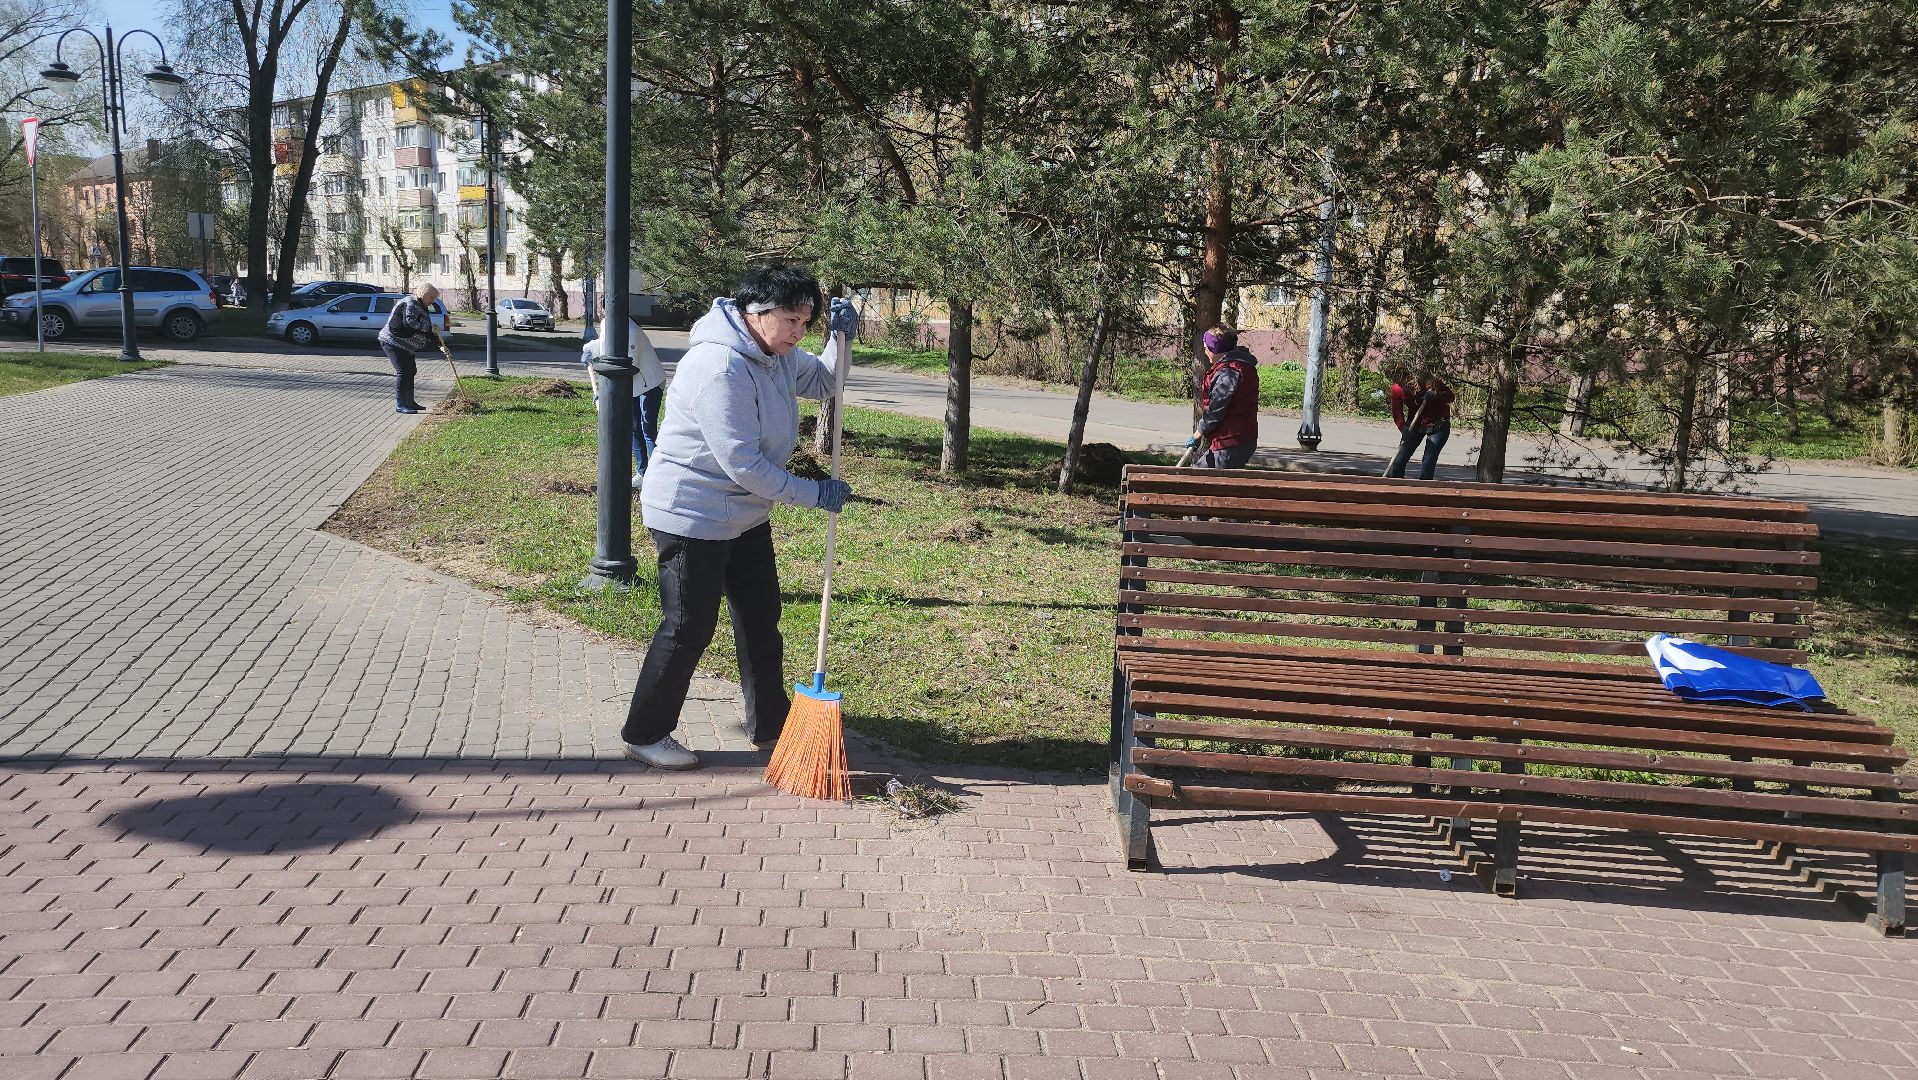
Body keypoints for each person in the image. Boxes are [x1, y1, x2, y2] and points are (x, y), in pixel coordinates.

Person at [621, 265, 858, 771]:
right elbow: (744, 463)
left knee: (760, 620)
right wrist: (813, 494)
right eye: (792, 320)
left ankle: (771, 726)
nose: (800, 331)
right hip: (692, 513)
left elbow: (824, 382)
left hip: (745, 514)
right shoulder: (719, 366)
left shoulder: (777, 356)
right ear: (756, 313)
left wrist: (840, 339)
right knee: (688, 626)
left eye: (807, 320)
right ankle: (645, 732)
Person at [582, 305, 668, 486]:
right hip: (634, 384)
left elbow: (628, 368)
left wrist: (605, 394)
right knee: (634, 428)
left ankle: (657, 477)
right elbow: (606, 345)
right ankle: (643, 472)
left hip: (649, 382)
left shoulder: (631, 330)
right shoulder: (608, 323)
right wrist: (590, 350)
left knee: (647, 430)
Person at [1185, 326, 1260, 469]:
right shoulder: (1240, 366)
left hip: (1231, 440)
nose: (1205, 351)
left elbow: (1215, 411)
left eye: (1206, 347)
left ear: (1215, 350)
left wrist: (1197, 435)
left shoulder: (1229, 373)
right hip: (1236, 439)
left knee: (1198, 480)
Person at [377, 283, 441, 414]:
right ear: (424, 294)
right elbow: (409, 323)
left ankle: (410, 402)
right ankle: (401, 404)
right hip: (392, 341)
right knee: (403, 371)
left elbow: (425, 327)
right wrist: (429, 329)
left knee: (411, 371)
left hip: (406, 345)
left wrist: (438, 342)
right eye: (431, 297)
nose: (432, 301)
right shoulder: (411, 303)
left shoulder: (421, 306)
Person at [1385, 368, 1454, 480]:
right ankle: (1396, 490)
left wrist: (1437, 394)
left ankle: (1424, 493)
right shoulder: (1397, 389)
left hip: (1439, 424)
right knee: (1398, 462)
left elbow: (1450, 396)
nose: (1402, 383)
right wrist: (1403, 428)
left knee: (1428, 462)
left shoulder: (1428, 382)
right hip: (1415, 425)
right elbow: (1397, 412)